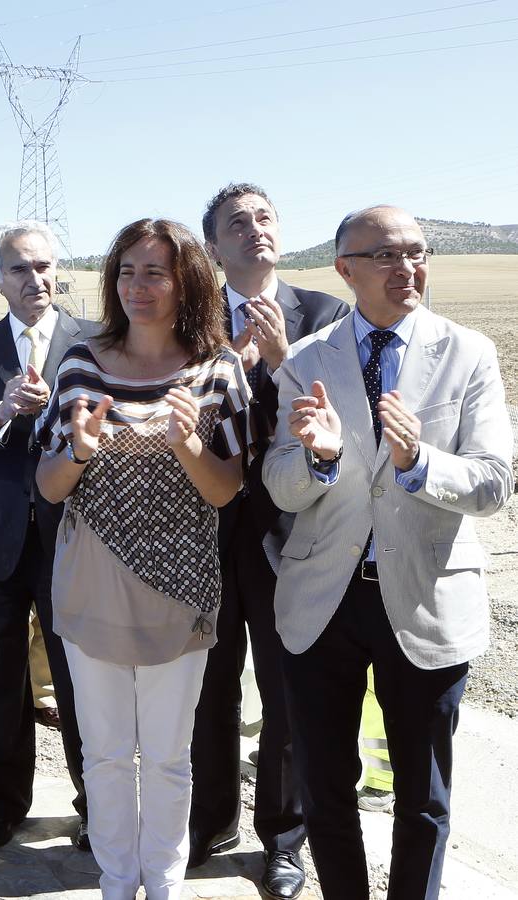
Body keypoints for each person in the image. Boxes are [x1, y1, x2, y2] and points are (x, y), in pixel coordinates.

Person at [263, 205, 511, 900]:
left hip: (426, 597)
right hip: (323, 603)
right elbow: (279, 489)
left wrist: (418, 462)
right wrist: (321, 458)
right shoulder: (309, 361)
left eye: (416, 252)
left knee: (423, 795)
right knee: (325, 786)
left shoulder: (468, 354)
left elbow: (495, 482)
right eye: (385, 256)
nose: (407, 268)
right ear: (344, 270)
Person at [36, 218, 249, 900]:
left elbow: (224, 491)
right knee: (102, 754)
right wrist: (78, 451)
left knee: (165, 756)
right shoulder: (79, 362)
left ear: (185, 279)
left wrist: (188, 444)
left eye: (155, 272)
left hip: (181, 588)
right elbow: (47, 485)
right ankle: (116, 883)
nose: (138, 286)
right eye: (127, 271)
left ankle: (163, 884)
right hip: (90, 580)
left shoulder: (217, 369)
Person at [187, 183, 347, 898]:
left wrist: (283, 367)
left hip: (294, 534)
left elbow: (337, 421)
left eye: (264, 218)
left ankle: (283, 840)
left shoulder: (325, 316)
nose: (255, 230)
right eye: (236, 223)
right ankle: (211, 818)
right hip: (203, 530)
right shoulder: (192, 320)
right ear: (213, 246)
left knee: (287, 691)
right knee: (208, 684)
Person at [0, 219, 99, 850]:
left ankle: (94, 804)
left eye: (45, 266)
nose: (36, 279)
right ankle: (6, 804)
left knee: (79, 679)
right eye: (20, 269)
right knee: (1, 679)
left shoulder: (95, 342)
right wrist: (0, 412)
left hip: (73, 541)